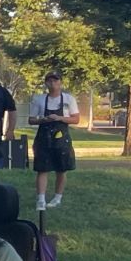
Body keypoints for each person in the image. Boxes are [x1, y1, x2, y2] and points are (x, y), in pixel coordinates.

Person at [29, 72, 80, 210]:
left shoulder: (69, 99)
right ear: (46, 83)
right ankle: (41, 199)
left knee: (61, 169)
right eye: (50, 81)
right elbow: (31, 119)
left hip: (61, 137)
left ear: (60, 83)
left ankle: (58, 197)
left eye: (55, 81)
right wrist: (43, 119)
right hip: (43, 137)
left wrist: (60, 118)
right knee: (42, 168)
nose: (53, 84)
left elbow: (76, 119)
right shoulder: (39, 99)